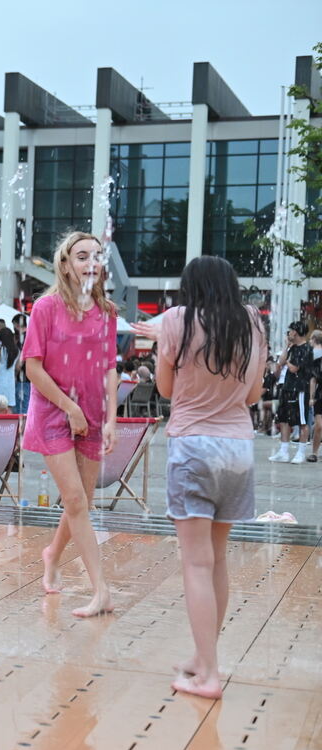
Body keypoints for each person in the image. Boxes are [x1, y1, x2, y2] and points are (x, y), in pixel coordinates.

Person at [152, 255, 265, 700]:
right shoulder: (252, 322)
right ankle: (204, 658)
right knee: (217, 559)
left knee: (196, 564)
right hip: (238, 449)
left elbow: (164, 389)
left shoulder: (176, 320)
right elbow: (254, 392)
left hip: (193, 447)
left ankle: (209, 676)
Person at [21, 230, 118, 619]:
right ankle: (101, 591)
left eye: (96, 256)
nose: (90, 262)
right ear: (65, 264)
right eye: (81, 256)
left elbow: (111, 368)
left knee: (83, 500)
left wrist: (111, 419)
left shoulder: (107, 312)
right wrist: (69, 408)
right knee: (76, 500)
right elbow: (32, 368)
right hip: (53, 414)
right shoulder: (45, 308)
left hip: (93, 414)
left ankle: (52, 554)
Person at [269, 320, 311, 463]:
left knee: (302, 421)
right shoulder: (292, 348)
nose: (289, 333)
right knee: (283, 419)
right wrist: (286, 348)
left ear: (297, 332)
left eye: (291, 330)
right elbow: (280, 362)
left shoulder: (306, 349)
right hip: (287, 387)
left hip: (299, 389)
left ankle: (300, 452)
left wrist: (286, 361)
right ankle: (283, 451)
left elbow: (293, 368)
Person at [12, 313, 30, 412]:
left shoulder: (24, 338)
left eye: (14, 325)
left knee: (21, 409)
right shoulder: (31, 335)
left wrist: (16, 371)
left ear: (17, 325)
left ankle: (22, 428)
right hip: (29, 377)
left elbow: (22, 357)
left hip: (23, 378)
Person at [309, 330, 322, 462]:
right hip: (320, 395)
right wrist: (311, 397)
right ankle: (314, 452)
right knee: (319, 425)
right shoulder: (317, 362)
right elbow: (313, 380)